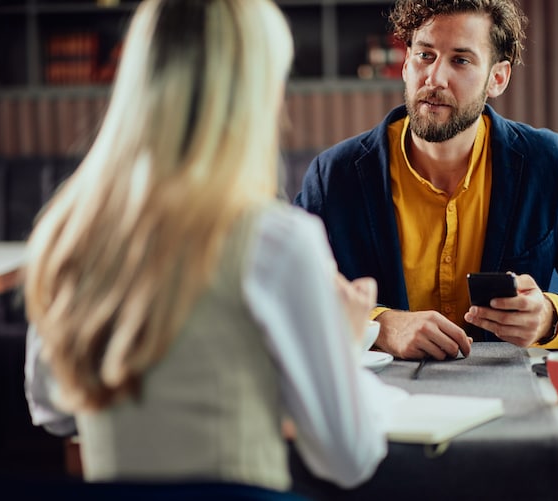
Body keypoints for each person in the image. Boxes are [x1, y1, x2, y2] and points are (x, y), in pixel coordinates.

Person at [23, 0, 408, 493]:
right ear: (254, 91)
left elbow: (51, 408)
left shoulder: (69, 235)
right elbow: (348, 458)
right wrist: (345, 340)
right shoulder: (278, 241)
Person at [294, 0, 558, 362]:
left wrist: (551, 318)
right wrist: (380, 327)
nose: (434, 79)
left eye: (460, 60)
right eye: (424, 55)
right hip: (383, 403)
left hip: (513, 398)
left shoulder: (549, 164)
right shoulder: (334, 175)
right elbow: (286, 296)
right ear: (405, 64)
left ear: (498, 78)